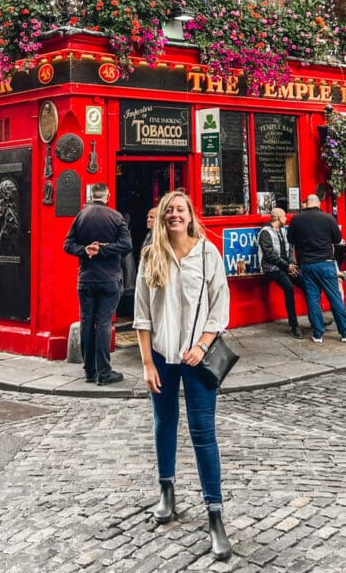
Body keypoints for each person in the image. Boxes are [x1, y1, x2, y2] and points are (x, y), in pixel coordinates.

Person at [134, 191, 231, 560]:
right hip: (161, 355)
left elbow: (220, 308)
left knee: (204, 434)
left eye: (180, 210)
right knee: (164, 423)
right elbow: (142, 315)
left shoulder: (209, 255)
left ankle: (215, 514)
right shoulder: (150, 255)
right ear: (162, 218)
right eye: (169, 211)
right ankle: (167, 492)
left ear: (191, 216)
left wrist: (203, 345)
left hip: (198, 360)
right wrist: (146, 363)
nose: (175, 215)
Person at [63, 182, 132, 385]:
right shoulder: (116, 216)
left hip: (85, 279)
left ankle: (89, 372)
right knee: (103, 324)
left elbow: (67, 244)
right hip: (109, 279)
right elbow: (127, 245)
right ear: (108, 195)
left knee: (86, 323)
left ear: (91, 195)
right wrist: (104, 249)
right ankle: (104, 373)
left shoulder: (80, 216)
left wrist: (85, 250)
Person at [288, 194, 346, 344]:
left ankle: (318, 334)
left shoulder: (296, 219)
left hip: (307, 264)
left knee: (313, 299)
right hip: (325, 263)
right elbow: (338, 239)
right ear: (318, 203)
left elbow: (290, 240)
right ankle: (345, 333)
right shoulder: (328, 218)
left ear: (307, 203)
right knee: (334, 297)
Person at [257, 207, 303, 338]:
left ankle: (317, 319)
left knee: (306, 284)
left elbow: (290, 248)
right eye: (284, 217)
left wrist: (292, 264)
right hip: (273, 268)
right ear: (278, 218)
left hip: (287, 266)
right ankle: (294, 325)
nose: (286, 219)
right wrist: (286, 266)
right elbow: (269, 255)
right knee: (289, 287)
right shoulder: (265, 232)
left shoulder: (284, 230)